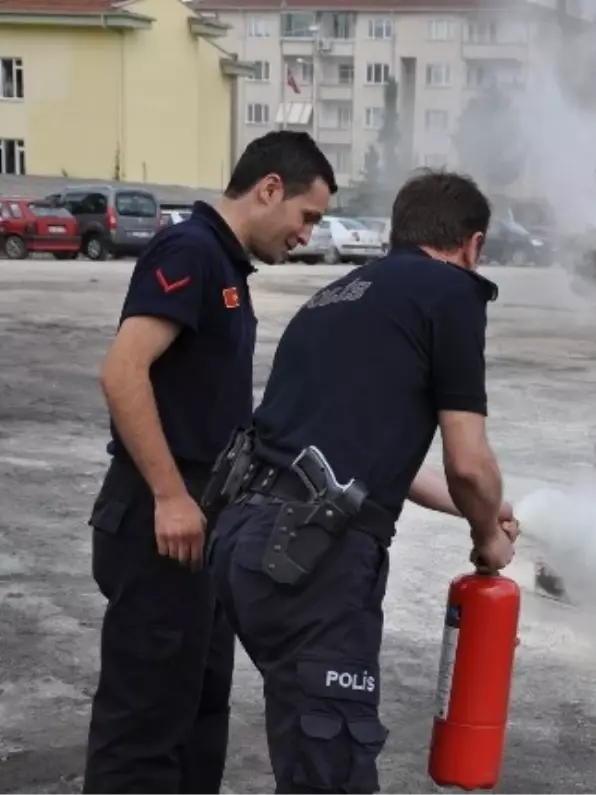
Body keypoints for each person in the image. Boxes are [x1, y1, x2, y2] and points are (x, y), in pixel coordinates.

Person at [205, 169, 517, 794]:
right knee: (334, 769)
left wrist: (473, 509)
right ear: (472, 246)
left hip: (246, 544)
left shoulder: (339, 296)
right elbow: (467, 460)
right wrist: (488, 536)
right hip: (311, 561)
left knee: (307, 750)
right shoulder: (451, 293)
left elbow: (363, 458)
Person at [83, 131, 337, 795]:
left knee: (199, 716)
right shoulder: (190, 251)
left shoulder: (226, 267)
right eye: (306, 216)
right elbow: (123, 370)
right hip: (157, 522)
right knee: (143, 729)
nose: (306, 235)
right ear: (270, 188)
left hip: (203, 527)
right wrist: (170, 495)